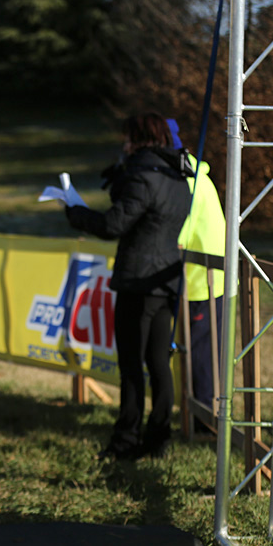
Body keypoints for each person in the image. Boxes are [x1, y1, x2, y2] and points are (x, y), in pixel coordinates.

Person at [65, 113, 193, 461]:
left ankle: (126, 440)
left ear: (139, 140)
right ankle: (158, 437)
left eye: (127, 138)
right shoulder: (179, 177)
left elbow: (113, 225)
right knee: (159, 362)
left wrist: (75, 212)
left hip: (138, 280)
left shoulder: (143, 177)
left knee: (132, 365)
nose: (123, 144)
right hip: (166, 279)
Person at [172, 123, 226, 418]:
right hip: (209, 279)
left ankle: (205, 419)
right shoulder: (196, 175)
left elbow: (178, 235)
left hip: (203, 282)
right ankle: (201, 414)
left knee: (202, 354)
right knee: (204, 350)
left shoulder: (188, 183)